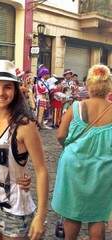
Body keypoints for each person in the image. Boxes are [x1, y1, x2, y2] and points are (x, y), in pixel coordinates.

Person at [0, 60, 49, 240]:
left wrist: (41, 216)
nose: (0, 93)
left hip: (15, 208)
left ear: (16, 90)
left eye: (7, 87)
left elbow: (41, 171)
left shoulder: (24, 125)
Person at [52, 64, 112, 239]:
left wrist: (68, 146)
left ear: (88, 85)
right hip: (104, 167)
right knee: (98, 215)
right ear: (109, 86)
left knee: (72, 212)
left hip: (74, 165)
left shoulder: (76, 107)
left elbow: (61, 135)